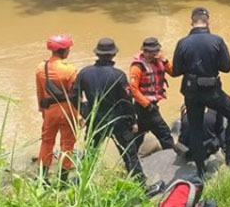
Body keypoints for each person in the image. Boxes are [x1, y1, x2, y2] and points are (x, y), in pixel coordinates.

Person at [74, 38, 157, 193]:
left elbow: (74, 95)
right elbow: (127, 101)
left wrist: (83, 112)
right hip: (118, 121)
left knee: (91, 154)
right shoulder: (118, 75)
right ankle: (142, 188)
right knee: (129, 155)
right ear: (113, 54)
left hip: (95, 121)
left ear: (97, 54)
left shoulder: (84, 73)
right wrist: (133, 121)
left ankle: (80, 186)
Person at [172, 7, 230, 177]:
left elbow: (177, 70)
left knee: (195, 126)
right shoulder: (217, 40)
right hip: (212, 91)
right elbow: (226, 67)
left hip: (191, 92)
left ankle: (200, 167)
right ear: (207, 21)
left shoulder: (182, 43)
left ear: (191, 22)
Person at [36, 34, 79, 185]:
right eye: (68, 49)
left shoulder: (42, 68)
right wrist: (79, 115)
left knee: (47, 142)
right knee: (67, 144)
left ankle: (43, 178)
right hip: (67, 111)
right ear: (63, 51)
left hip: (50, 110)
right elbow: (75, 95)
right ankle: (63, 180)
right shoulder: (70, 70)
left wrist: (43, 111)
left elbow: (40, 92)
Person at [129, 37, 185, 155]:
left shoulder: (160, 61)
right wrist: (147, 104)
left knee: (138, 134)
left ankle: (129, 157)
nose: (150, 54)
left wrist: (165, 61)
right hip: (143, 106)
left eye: (154, 51)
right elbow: (133, 89)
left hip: (151, 105)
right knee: (164, 132)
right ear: (143, 51)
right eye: (147, 51)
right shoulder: (137, 67)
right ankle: (170, 155)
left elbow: (174, 73)